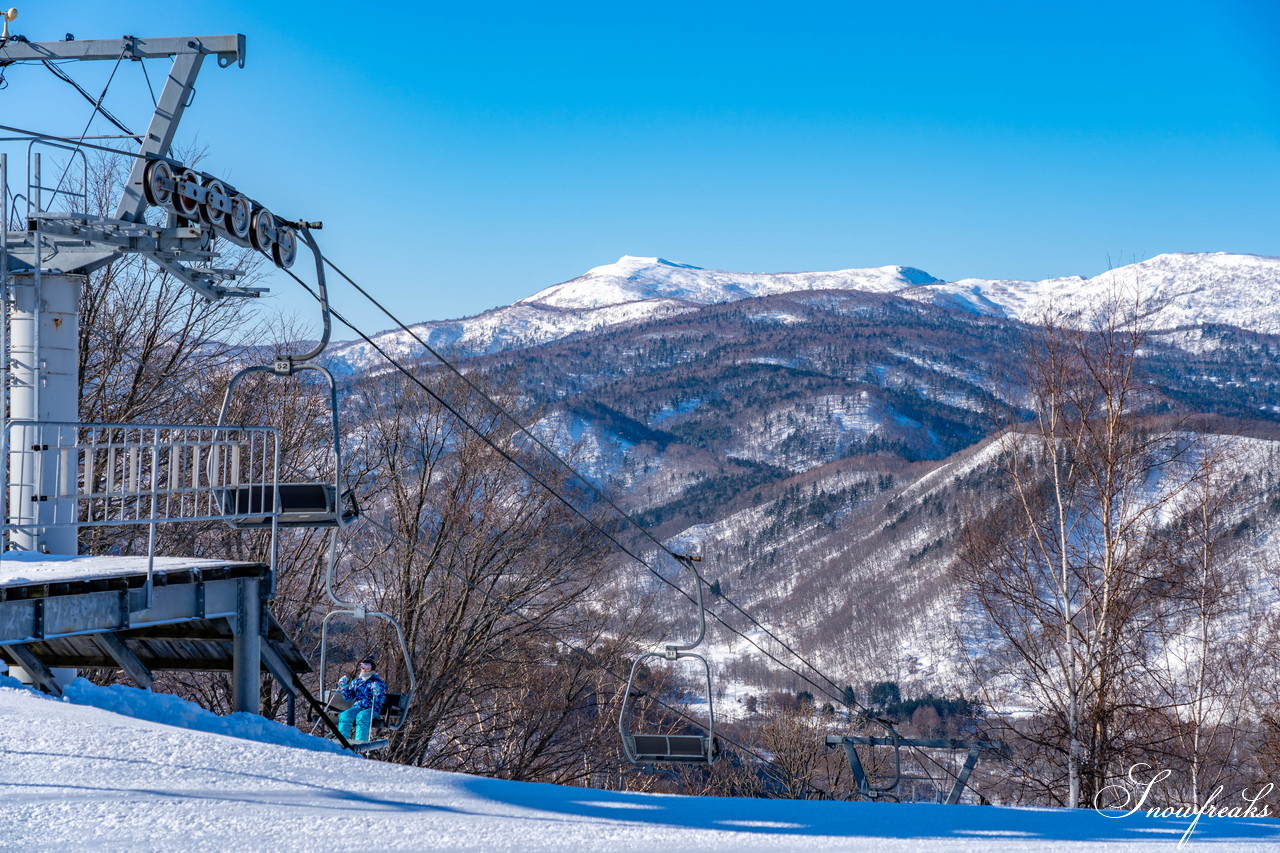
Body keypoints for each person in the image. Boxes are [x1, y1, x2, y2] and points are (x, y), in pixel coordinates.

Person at [336, 657, 387, 743]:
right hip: (358, 707)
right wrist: (343, 687)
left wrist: (377, 692)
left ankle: (360, 742)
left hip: (372, 709)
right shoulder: (356, 682)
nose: (364, 669)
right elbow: (348, 697)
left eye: (367, 667)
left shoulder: (377, 683)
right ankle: (342, 741)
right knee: (345, 715)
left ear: (372, 668)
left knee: (362, 716)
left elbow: (381, 700)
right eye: (362, 666)